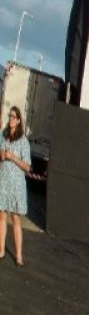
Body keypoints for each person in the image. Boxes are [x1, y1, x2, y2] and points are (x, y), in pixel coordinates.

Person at [0, 106, 31, 266]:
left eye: (14, 117)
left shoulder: (23, 140)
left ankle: (19, 256)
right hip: (3, 181)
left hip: (16, 184)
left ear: (18, 120)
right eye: (10, 116)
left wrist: (13, 158)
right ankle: (1, 250)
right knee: (2, 216)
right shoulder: (3, 136)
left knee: (16, 218)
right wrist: (3, 156)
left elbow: (27, 166)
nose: (11, 119)